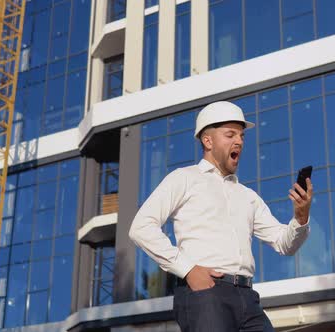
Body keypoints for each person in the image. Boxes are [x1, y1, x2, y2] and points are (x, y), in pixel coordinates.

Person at [129, 101, 313, 331]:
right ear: (208, 141)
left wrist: (301, 216)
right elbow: (141, 227)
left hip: (248, 297)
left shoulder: (248, 196)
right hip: (207, 294)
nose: (239, 141)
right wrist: (188, 270)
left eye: (242, 136)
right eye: (230, 135)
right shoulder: (184, 178)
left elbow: (284, 243)